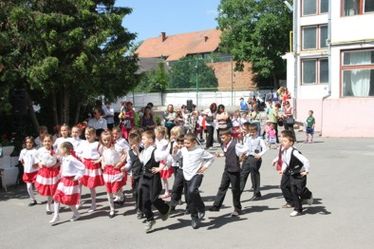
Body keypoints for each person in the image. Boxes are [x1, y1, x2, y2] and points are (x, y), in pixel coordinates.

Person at [172, 133, 214, 229]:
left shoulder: (200, 151)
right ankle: (194, 217)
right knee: (189, 196)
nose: (185, 145)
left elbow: (211, 158)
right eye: (185, 143)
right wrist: (174, 151)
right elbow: (175, 158)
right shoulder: (183, 150)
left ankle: (201, 208)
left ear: (194, 142)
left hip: (197, 174)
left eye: (188, 143)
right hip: (186, 174)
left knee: (192, 190)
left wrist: (205, 167)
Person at [272, 130, 313, 217]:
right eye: (282, 141)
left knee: (300, 190)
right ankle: (298, 209)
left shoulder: (294, 152)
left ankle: (308, 195)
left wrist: (306, 171)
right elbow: (285, 161)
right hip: (292, 173)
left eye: (285, 141)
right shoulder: (284, 150)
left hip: (300, 173)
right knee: (293, 190)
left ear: (291, 143)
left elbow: (306, 160)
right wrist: (283, 170)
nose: (282, 142)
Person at [137, 130, 171, 233]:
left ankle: (165, 208)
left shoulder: (155, 151)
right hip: (144, 177)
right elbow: (142, 160)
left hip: (153, 178)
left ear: (151, 140)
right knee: (143, 198)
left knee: (153, 198)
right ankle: (150, 219)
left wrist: (160, 168)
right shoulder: (144, 150)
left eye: (144, 138)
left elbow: (167, 157)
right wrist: (137, 151)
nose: (142, 140)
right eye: (142, 138)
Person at [209, 129, 246, 216]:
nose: (222, 139)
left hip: (235, 170)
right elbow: (227, 153)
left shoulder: (235, 144)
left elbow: (245, 149)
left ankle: (237, 208)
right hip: (227, 169)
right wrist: (221, 155)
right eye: (221, 137)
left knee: (235, 190)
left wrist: (243, 156)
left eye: (224, 137)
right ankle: (216, 206)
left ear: (229, 136)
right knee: (222, 187)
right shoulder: (224, 144)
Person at [49, 142, 85, 224]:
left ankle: (76, 214)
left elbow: (82, 167)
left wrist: (77, 177)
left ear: (65, 149)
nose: (59, 150)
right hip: (63, 181)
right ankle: (56, 215)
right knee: (56, 196)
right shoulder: (63, 157)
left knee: (69, 201)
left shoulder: (71, 158)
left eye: (60, 148)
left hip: (70, 181)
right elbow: (56, 155)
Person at [100, 131, 127, 218]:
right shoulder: (102, 148)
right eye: (104, 140)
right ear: (102, 140)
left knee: (116, 189)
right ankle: (112, 209)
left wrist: (121, 162)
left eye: (108, 140)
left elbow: (125, 153)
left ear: (111, 139)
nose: (106, 142)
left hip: (115, 170)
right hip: (107, 171)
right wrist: (102, 163)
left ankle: (121, 196)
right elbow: (103, 157)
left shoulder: (116, 146)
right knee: (109, 191)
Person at [240, 123, 268, 201]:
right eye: (250, 131)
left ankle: (256, 193)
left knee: (254, 174)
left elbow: (265, 148)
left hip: (255, 158)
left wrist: (260, 154)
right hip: (247, 157)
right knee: (243, 174)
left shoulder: (260, 139)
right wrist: (242, 154)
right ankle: (238, 192)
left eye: (253, 131)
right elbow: (245, 147)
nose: (252, 133)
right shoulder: (248, 138)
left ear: (257, 131)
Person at [80, 127, 105, 212]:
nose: (87, 136)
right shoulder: (83, 143)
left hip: (93, 166)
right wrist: (82, 158)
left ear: (94, 135)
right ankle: (77, 201)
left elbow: (103, 154)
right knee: (80, 182)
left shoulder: (97, 144)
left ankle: (93, 203)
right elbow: (79, 152)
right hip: (84, 165)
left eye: (89, 134)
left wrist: (98, 160)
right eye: (86, 134)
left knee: (91, 186)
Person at [34, 134, 60, 214]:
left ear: (52, 142)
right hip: (44, 173)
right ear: (42, 142)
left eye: (49, 141)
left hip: (53, 172)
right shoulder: (40, 150)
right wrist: (39, 163)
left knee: (54, 189)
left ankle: (52, 205)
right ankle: (48, 205)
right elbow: (36, 159)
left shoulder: (56, 151)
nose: (47, 143)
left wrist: (57, 165)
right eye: (45, 141)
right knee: (48, 190)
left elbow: (60, 160)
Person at [127, 132, 144, 219]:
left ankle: (140, 209)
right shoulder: (129, 152)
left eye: (135, 143)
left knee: (140, 189)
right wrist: (124, 168)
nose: (133, 145)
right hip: (134, 174)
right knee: (135, 193)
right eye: (131, 143)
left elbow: (142, 161)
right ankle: (139, 206)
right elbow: (129, 163)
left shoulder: (142, 150)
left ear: (139, 142)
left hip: (143, 174)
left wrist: (137, 151)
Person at [19, 136, 38, 206]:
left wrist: (36, 165)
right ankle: (33, 200)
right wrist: (25, 165)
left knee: (39, 187)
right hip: (27, 173)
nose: (28, 144)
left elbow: (38, 161)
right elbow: (21, 160)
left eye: (30, 142)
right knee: (29, 187)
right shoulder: (23, 151)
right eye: (27, 142)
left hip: (35, 172)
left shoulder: (35, 151)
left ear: (33, 143)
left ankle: (50, 197)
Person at [154, 126, 173, 199]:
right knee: (159, 177)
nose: (155, 134)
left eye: (156, 133)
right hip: (157, 160)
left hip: (163, 161)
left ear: (160, 134)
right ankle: (159, 190)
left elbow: (166, 153)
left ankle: (167, 191)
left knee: (164, 178)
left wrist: (166, 163)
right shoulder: (156, 140)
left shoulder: (165, 142)